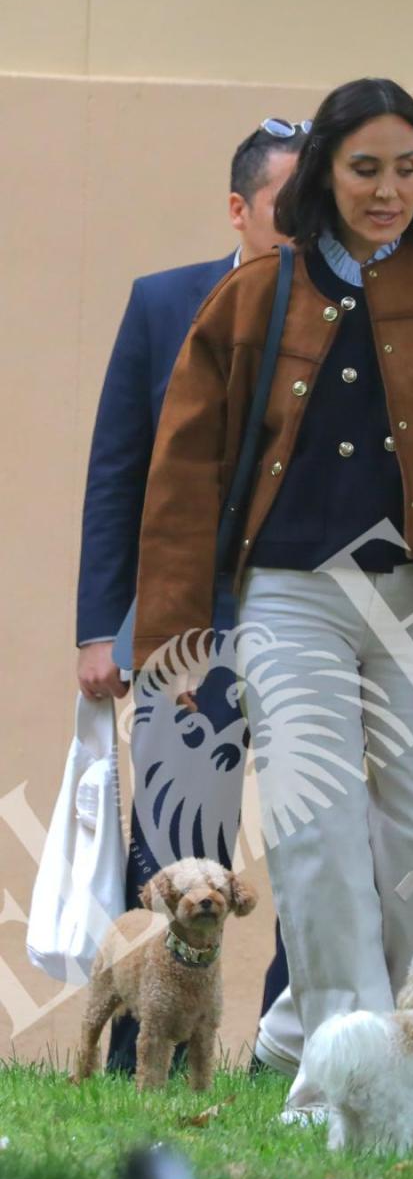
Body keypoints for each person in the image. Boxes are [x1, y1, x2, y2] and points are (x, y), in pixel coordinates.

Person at [131, 78, 413, 1113]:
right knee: (316, 833)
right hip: (289, 598)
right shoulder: (253, 297)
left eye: (407, 167)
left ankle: (309, 1029)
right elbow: (183, 471)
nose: (388, 189)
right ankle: (350, 1073)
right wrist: (175, 632)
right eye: (366, 168)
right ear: (325, 174)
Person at [75, 121, 302, 1072]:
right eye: (290, 205)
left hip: (307, 613)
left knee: (311, 828)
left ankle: (287, 1052)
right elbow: (117, 470)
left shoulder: (360, 313)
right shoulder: (164, 302)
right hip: (183, 624)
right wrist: (102, 627)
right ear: (239, 209)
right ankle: (139, 1050)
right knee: (176, 834)